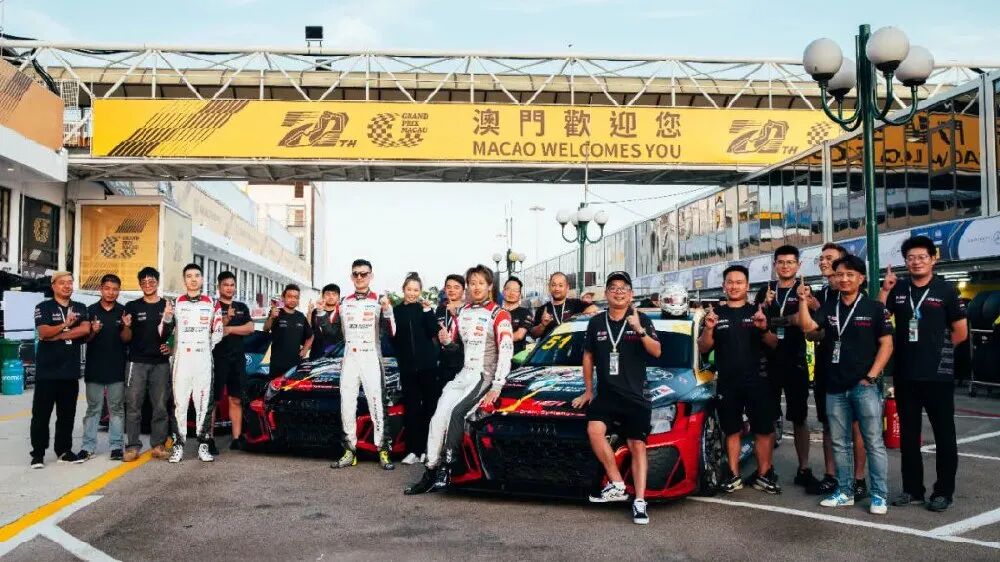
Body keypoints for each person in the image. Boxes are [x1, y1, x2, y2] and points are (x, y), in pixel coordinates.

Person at [405, 265, 514, 496]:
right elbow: (454, 347)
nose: (476, 287)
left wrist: (497, 384)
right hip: (463, 374)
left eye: (481, 283)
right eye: (472, 283)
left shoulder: (499, 314)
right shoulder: (463, 312)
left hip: (483, 376)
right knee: (438, 417)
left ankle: (448, 468)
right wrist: (446, 341)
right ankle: (431, 470)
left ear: (489, 286)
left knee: (456, 414)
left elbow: (506, 351)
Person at [798, 256, 893, 515]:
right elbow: (808, 328)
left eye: (850, 274)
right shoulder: (830, 307)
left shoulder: (874, 308)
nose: (844, 279)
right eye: (839, 274)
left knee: (873, 442)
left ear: (861, 278)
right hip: (835, 386)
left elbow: (886, 345)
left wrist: (871, 376)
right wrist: (803, 302)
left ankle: (879, 496)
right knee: (839, 443)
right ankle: (845, 491)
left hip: (865, 386)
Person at [880, 236, 967, 512]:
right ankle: (913, 490)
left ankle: (943, 492)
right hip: (906, 375)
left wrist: (937, 353)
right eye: (911, 258)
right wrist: (884, 289)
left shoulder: (947, 290)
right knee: (908, 437)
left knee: (944, 437)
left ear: (933, 259)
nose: (916, 262)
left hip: (938, 377)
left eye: (922, 257)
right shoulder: (899, 289)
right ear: (905, 261)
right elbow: (880, 318)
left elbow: (960, 332)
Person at [567, 271, 661, 525]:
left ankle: (639, 501)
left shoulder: (642, 318)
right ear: (606, 293)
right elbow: (588, 357)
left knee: (637, 445)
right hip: (607, 394)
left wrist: (639, 330)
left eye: (623, 288)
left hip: (635, 395)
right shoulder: (596, 322)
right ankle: (617, 483)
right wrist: (588, 390)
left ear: (631, 294)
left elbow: (657, 351)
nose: (618, 292)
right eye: (613, 288)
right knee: (594, 430)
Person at [699, 265, 780, 494]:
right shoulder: (715, 314)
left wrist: (763, 329)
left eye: (739, 282)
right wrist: (709, 329)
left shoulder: (758, 311)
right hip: (728, 381)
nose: (734, 286)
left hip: (758, 380)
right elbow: (703, 347)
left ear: (747, 286)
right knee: (731, 430)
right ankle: (733, 475)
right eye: (730, 282)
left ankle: (764, 475)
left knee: (762, 429)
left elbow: (774, 343)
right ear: (724, 286)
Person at [802, 243, 868, 497]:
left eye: (828, 258)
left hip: (856, 370)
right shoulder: (821, 295)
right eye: (821, 258)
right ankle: (831, 476)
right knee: (829, 424)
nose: (823, 261)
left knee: (857, 427)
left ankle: (859, 479)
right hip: (826, 368)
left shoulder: (857, 295)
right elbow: (814, 334)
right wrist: (809, 307)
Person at [753, 245, 819, 492]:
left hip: (795, 361)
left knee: (799, 418)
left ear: (798, 265)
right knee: (768, 417)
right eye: (781, 262)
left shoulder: (804, 288)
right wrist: (764, 304)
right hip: (768, 362)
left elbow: (810, 319)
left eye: (790, 262)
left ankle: (804, 469)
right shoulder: (765, 290)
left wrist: (806, 301)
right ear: (774, 265)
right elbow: (756, 320)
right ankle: (766, 469)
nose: (785, 266)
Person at [331, 260, 396, 470]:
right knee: (347, 405)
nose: (359, 277)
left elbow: (392, 332)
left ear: (371, 276)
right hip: (350, 359)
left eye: (364, 274)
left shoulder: (379, 300)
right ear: (351, 277)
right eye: (356, 274)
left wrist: (387, 311)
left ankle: (383, 450)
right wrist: (321, 314)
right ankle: (349, 451)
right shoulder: (344, 302)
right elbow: (331, 333)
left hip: (371, 358)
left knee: (377, 405)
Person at [30, 272, 90, 468]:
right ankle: (38, 454)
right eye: (62, 283)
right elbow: (43, 332)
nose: (67, 286)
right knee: (41, 416)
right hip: (47, 372)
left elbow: (85, 329)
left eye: (70, 283)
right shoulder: (43, 307)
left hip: (70, 372)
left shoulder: (80, 307)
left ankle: (63, 451)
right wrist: (66, 324)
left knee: (67, 416)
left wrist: (60, 335)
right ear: (53, 286)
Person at [167, 263, 224, 463]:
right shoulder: (175, 303)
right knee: (179, 404)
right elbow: (165, 332)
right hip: (182, 360)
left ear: (202, 279)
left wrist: (207, 346)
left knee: (204, 404)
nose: (193, 279)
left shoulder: (212, 303)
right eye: (189, 276)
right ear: (184, 280)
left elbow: (218, 331)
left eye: (197, 275)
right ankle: (178, 446)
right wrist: (167, 320)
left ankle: (203, 445)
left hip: (203, 359)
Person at [122, 267, 175, 462]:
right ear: (139, 284)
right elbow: (125, 338)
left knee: (160, 406)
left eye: (151, 281)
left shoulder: (167, 305)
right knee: (133, 405)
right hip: (136, 363)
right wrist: (127, 326)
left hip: (160, 364)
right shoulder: (132, 306)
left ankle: (158, 445)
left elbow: (173, 333)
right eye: (143, 282)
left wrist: (170, 347)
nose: (147, 284)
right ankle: (132, 446)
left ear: (157, 282)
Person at [392, 274, 442, 465]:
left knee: (430, 407)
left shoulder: (425, 309)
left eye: (416, 290)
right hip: (407, 368)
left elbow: (433, 332)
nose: (412, 293)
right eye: (409, 289)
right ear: (403, 289)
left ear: (420, 291)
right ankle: (412, 450)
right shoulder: (395, 311)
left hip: (428, 366)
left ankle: (428, 449)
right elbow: (392, 337)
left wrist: (428, 312)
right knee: (411, 409)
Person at [77, 274, 127, 462]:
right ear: (101, 289)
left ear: (119, 291)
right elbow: (85, 340)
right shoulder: (90, 311)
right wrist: (93, 331)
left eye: (115, 289)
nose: (111, 292)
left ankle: (116, 447)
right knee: (93, 409)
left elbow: (127, 339)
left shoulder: (123, 311)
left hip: (117, 368)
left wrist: (126, 326)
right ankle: (87, 447)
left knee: (116, 409)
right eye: (107, 288)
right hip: (94, 369)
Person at [213, 271, 254, 452]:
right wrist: (226, 320)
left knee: (236, 398)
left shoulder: (241, 307)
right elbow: (213, 330)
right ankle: (209, 439)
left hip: (237, 359)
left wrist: (229, 329)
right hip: (217, 358)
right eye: (225, 285)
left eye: (232, 285)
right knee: (213, 401)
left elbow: (250, 328)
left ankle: (236, 438)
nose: (229, 288)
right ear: (219, 287)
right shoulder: (212, 306)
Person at [530, 272, 598, 340]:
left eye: (560, 285)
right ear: (549, 287)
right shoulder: (542, 309)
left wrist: (577, 316)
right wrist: (542, 325)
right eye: (553, 285)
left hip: (572, 346)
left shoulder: (575, 303)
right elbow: (534, 335)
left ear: (567, 287)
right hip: (549, 346)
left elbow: (594, 308)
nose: (557, 289)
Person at [263, 284, 312, 379]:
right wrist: (271, 317)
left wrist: (305, 349)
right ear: (283, 297)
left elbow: (310, 335)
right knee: (275, 387)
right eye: (290, 296)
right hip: (277, 364)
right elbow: (266, 329)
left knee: (292, 388)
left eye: (296, 297)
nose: (293, 300)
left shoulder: (301, 316)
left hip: (295, 364)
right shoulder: (276, 313)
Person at [436, 274, 466, 385]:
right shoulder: (440, 309)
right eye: (448, 287)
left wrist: (456, 314)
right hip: (444, 362)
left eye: (456, 287)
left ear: (463, 290)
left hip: (463, 363)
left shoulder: (469, 309)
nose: (452, 290)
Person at [307, 283, 344, 360]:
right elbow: (309, 329)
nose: (331, 296)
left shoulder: (342, 313)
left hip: (335, 354)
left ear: (338, 297)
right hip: (316, 352)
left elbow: (332, 334)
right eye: (328, 294)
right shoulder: (315, 311)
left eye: (334, 294)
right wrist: (309, 313)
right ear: (323, 296)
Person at [501, 277, 534, 361]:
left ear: (520, 294)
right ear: (503, 291)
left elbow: (519, 335)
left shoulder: (525, 312)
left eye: (515, 290)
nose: (511, 293)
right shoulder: (496, 312)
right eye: (508, 289)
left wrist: (495, 340)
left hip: (515, 360)